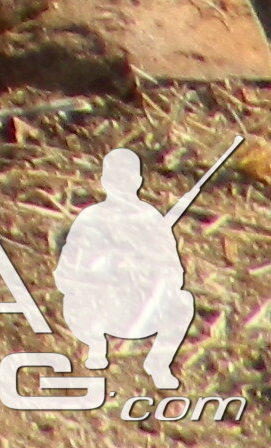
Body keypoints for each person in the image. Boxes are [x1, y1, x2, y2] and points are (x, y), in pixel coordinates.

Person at [55, 148, 194, 389]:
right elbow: (66, 275)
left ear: (138, 181)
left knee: (183, 301)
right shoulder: (91, 219)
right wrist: (102, 273)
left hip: (140, 304)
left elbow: (174, 272)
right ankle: (96, 348)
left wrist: (147, 268)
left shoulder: (151, 219)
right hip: (98, 307)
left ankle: (159, 363)